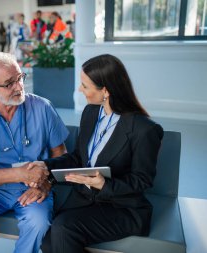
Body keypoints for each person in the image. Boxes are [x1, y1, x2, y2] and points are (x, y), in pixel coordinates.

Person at [29, 54, 164, 253]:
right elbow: (78, 158)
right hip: (84, 199)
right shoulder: (91, 113)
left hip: (122, 207)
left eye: (85, 86)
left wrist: (104, 184)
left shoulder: (144, 129)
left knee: (64, 229)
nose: (79, 89)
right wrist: (46, 166)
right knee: (48, 242)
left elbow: (142, 180)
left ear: (106, 91)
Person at [0, 52, 69, 253]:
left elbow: (62, 155)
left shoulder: (42, 107)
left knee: (38, 221)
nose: (19, 87)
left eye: (19, 78)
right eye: (9, 84)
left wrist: (47, 184)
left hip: (35, 188)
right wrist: (19, 173)